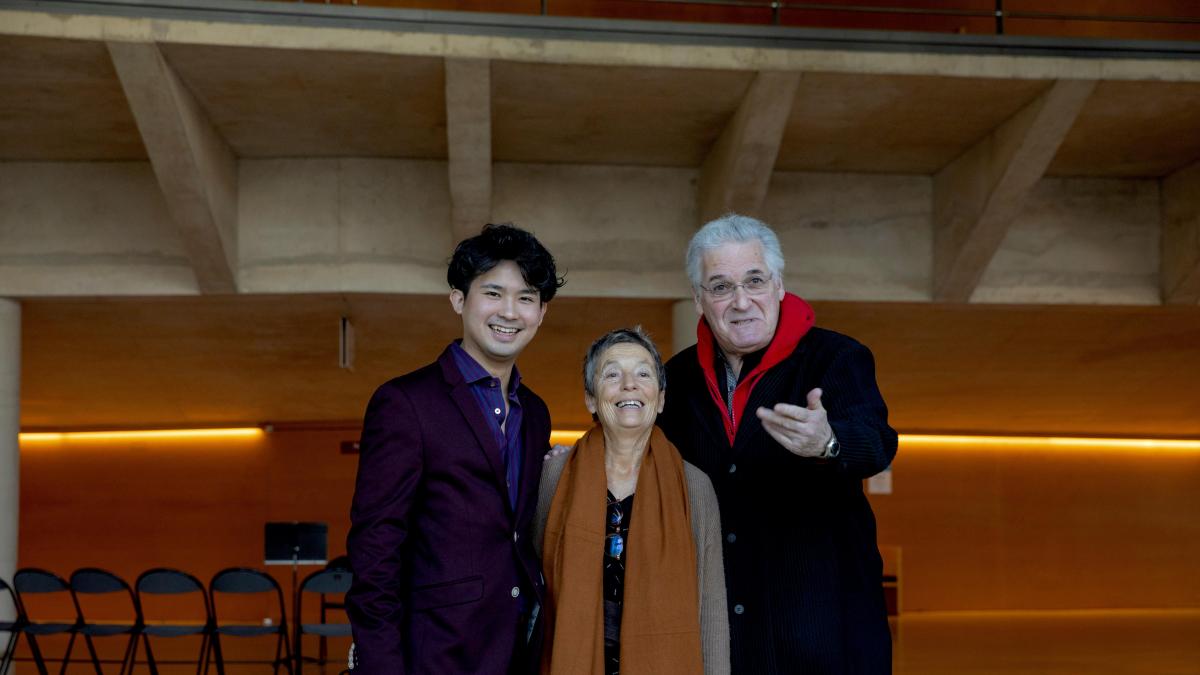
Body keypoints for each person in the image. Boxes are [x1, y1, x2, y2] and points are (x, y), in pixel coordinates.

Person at [658, 214, 897, 674]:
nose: (741, 301)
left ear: (779, 285)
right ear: (698, 298)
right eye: (721, 286)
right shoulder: (677, 378)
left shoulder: (836, 357)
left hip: (822, 632)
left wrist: (828, 441)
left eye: (754, 281)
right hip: (722, 635)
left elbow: (877, 443)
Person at [346, 223, 563, 675]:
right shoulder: (405, 402)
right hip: (434, 652)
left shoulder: (536, 412)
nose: (510, 311)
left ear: (541, 313)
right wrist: (381, 665)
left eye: (526, 298)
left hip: (517, 648)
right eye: (493, 293)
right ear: (459, 300)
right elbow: (375, 551)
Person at [533, 327, 730, 675]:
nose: (629, 384)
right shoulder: (557, 475)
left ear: (662, 397)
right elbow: (536, 588)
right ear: (591, 399)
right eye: (612, 374)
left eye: (643, 373)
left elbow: (711, 610)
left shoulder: (693, 485)